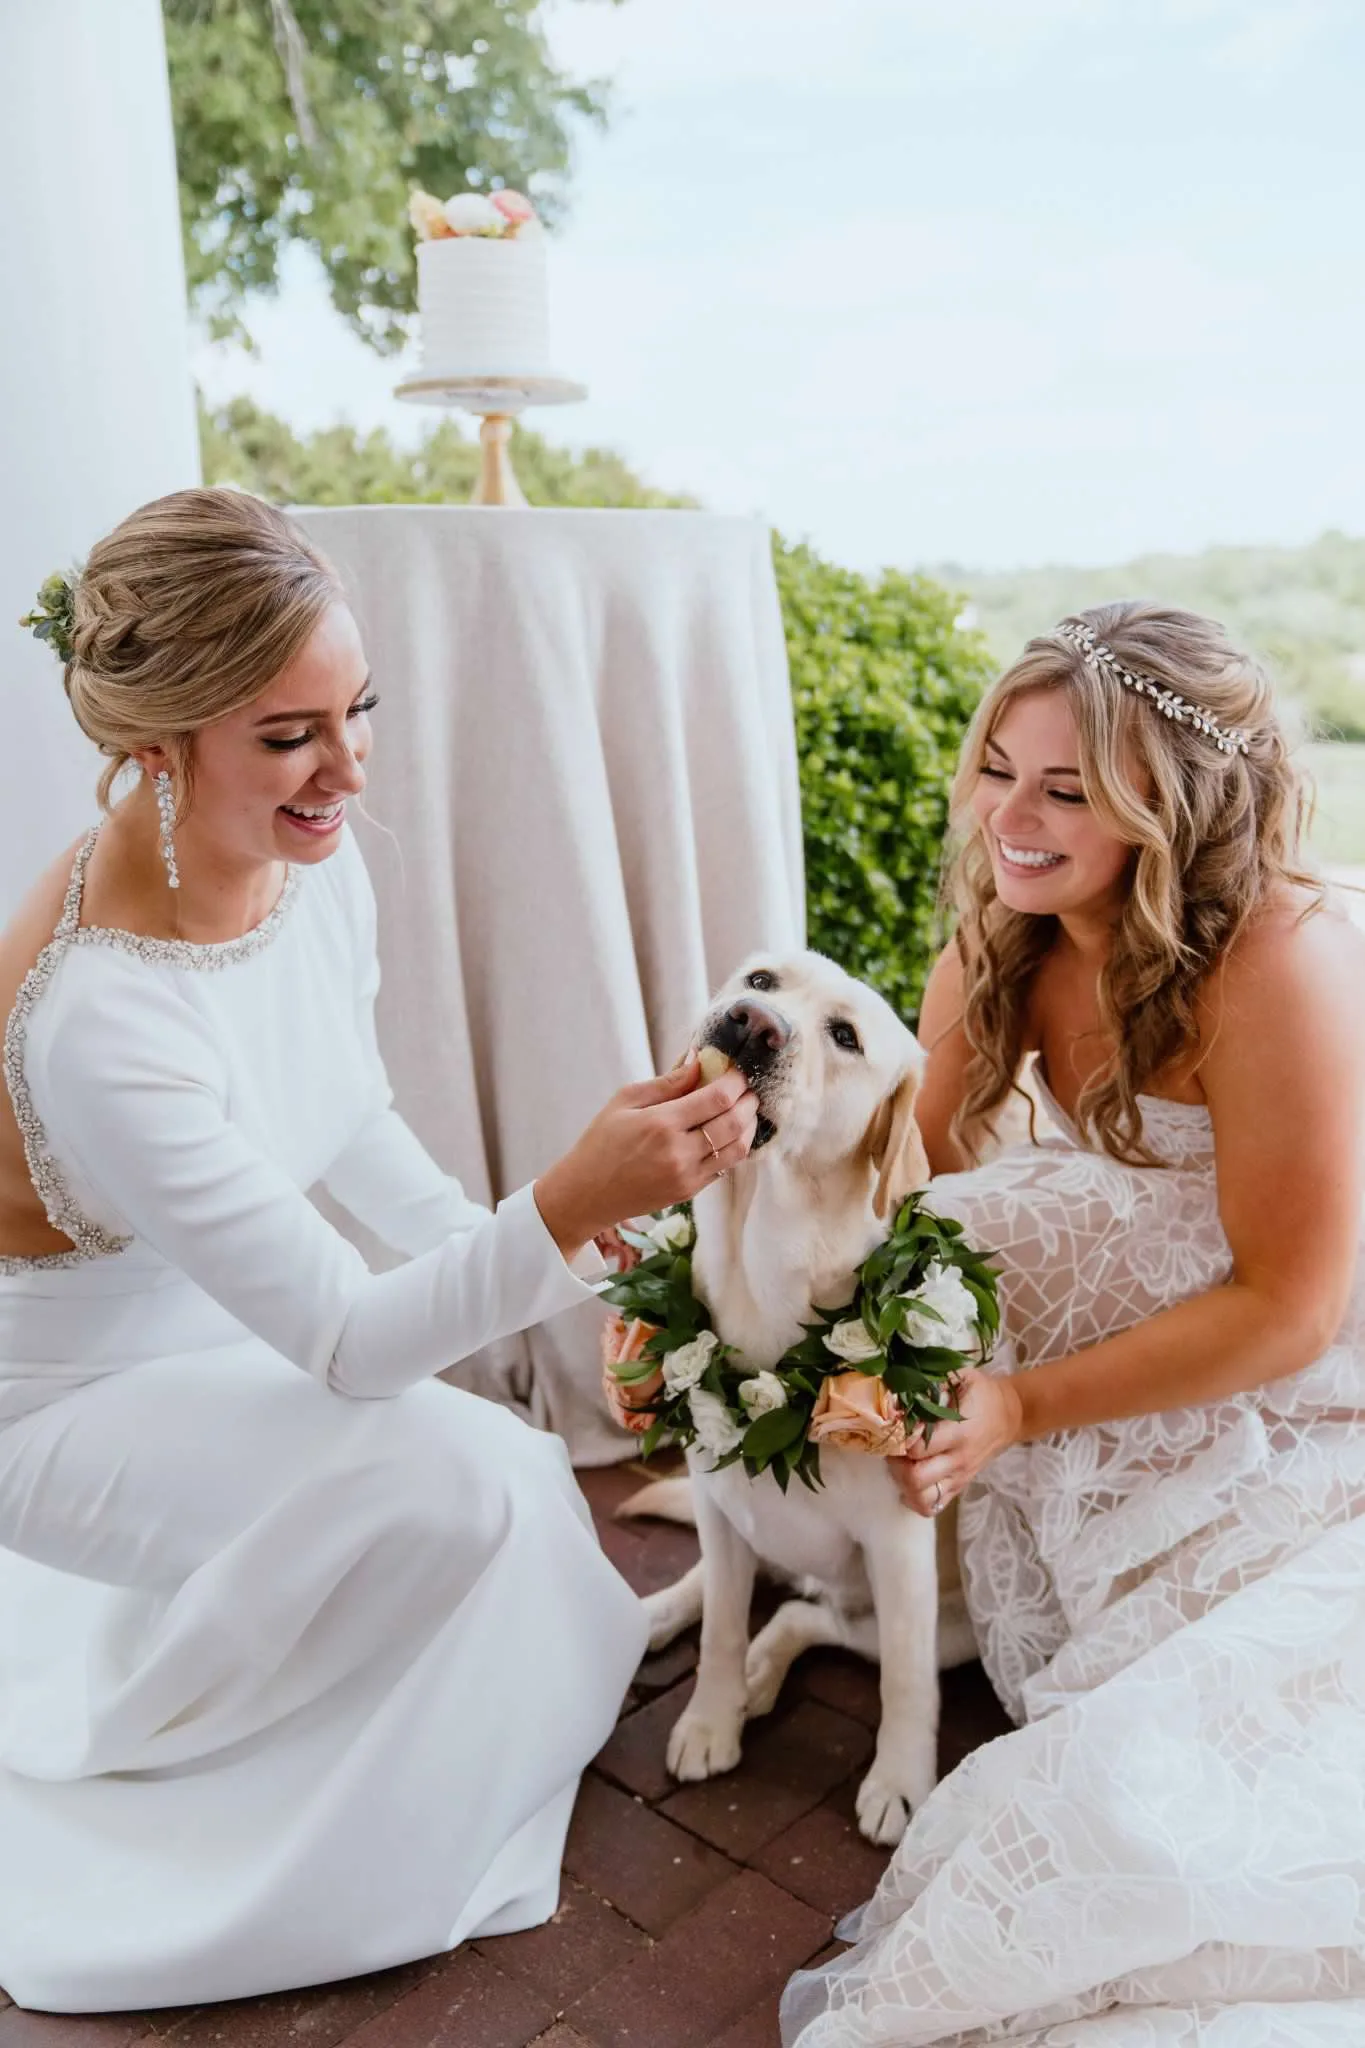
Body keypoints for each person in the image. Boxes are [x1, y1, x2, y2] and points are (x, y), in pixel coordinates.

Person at [0, 487, 758, 2014]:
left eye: (360, 710)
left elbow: (349, 1123)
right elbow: (348, 1344)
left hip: (233, 1326)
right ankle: (271, 1840)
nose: (349, 768)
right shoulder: (104, 1016)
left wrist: (589, 1245)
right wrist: (557, 1205)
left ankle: (388, 1723)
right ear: (157, 743)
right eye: (289, 736)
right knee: (454, 1475)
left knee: (489, 1461)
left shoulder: (314, 866)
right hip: (61, 1399)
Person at [783, 603, 1365, 2046]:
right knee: (973, 1242)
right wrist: (706, 1290)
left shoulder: (1277, 960)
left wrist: (1019, 1408)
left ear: (1171, 803)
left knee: (1183, 1772)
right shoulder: (1008, 939)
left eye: (1067, 787)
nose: (1013, 818)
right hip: (1127, 1365)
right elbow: (902, 1196)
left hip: (1290, 1368)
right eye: (996, 769)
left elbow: (1296, 1304)